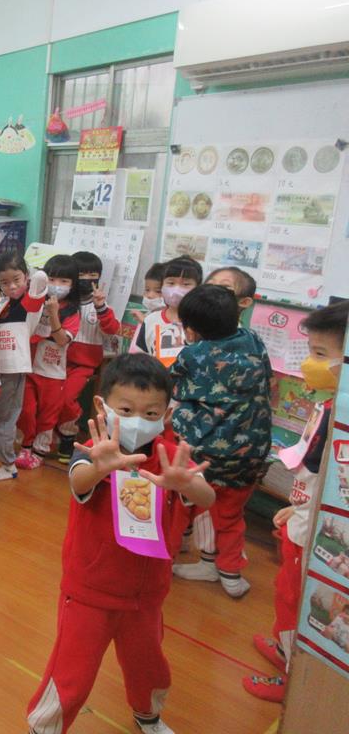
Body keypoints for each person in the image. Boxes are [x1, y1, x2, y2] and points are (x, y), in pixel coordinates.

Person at [27, 354, 215, 734]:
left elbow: (207, 497)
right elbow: (78, 481)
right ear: (103, 406)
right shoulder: (92, 449)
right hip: (90, 591)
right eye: (126, 410)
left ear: (166, 414)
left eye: (151, 413)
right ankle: (44, 728)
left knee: (149, 666)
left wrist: (186, 483)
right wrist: (100, 468)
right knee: (72, 671)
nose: (138, 420)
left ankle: (148, 716)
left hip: (147, 594)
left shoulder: (168, 456)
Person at [244, 299, 349, 701]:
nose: (309, 363)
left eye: (320, 354)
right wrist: (298, 506)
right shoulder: (327, 402)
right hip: (303, 514)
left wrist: (309, 514)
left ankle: (292, 674)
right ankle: (285, 647)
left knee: (299, 599)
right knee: (285, 592)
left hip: (316, 532)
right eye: (310, 351)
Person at [169, 285, 272, 598]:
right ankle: (231, 574)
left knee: (186, 509)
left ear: (191, 329)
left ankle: (170, 560)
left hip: (205, 453)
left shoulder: (193, 354)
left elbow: (171, 383)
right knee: (230, 513)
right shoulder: (253, 340)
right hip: (252, 452)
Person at [0, 251, 46, 481]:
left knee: (1, 419)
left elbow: (41, 278)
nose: (11, 286)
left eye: (16, 280)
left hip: (12, 369)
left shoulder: (31, 303)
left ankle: (8, 465)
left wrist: (28, 276)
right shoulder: (3, 302)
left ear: (26, 276)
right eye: (4, 282)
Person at [16, 254, 81, 469]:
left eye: (64, 281)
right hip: (28, 367)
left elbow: (62, 340)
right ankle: (26, 445)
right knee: (26, 410)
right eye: (52, 279)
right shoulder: (35, 300)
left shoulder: (72, 312)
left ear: (72, 285)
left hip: (53, 373)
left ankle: (40, 450)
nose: (56, 285)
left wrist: (53, 314)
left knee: (48, 414)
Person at [56, 251, 121, 461]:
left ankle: (68, 434)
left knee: (66, 399)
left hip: (84, 364)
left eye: (92, 275)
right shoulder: (64, 302)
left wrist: (101, 307)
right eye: (81, 274)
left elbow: (111, 329)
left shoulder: (101, 304)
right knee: (48, 397)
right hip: (57, 359)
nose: (86, 279)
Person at [130, 256, 201, 368]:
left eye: (186, 284)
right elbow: (141, 360)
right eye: (171, 283)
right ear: (162, 286)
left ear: (198, 288)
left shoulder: (203, 322)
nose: (176, 290)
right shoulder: (150, 320)